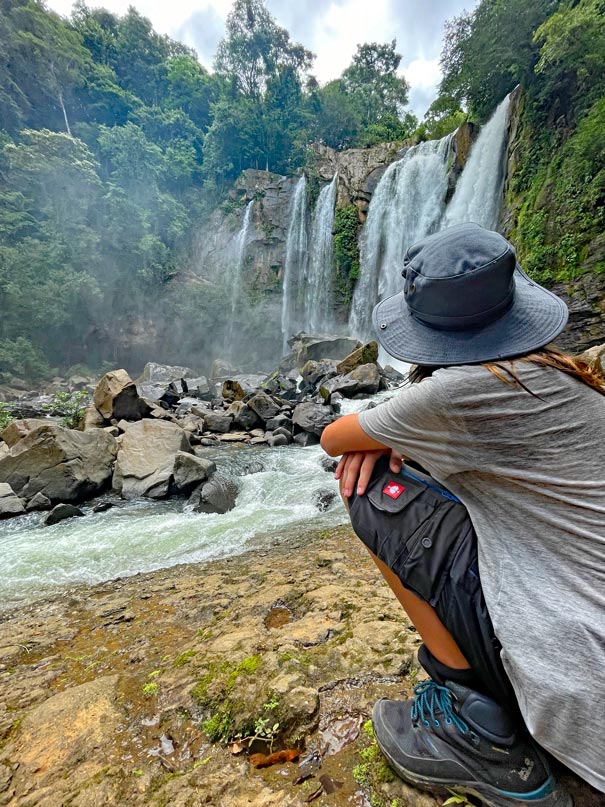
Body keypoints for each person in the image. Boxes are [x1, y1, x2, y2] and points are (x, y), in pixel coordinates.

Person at [320, 223, 605, 807]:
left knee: (372, 488)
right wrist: (402, 434)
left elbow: (333, 438)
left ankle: (476, 724)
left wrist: (388, 434)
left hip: (580, 691)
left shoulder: (449, 397)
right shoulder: (570, 379)